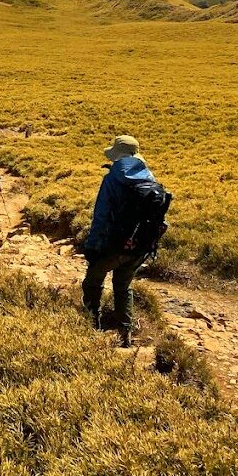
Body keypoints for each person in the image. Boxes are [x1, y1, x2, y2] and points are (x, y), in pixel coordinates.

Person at [82, 135, 170, 347]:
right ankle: (125, 333)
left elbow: (101, 216)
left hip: (112, 244)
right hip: (139, 246)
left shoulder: (111, 179)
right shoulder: (150, 178)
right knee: (123, 286)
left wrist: (92, 246)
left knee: (93, 283)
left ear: (117, 156)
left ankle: (90, 326)